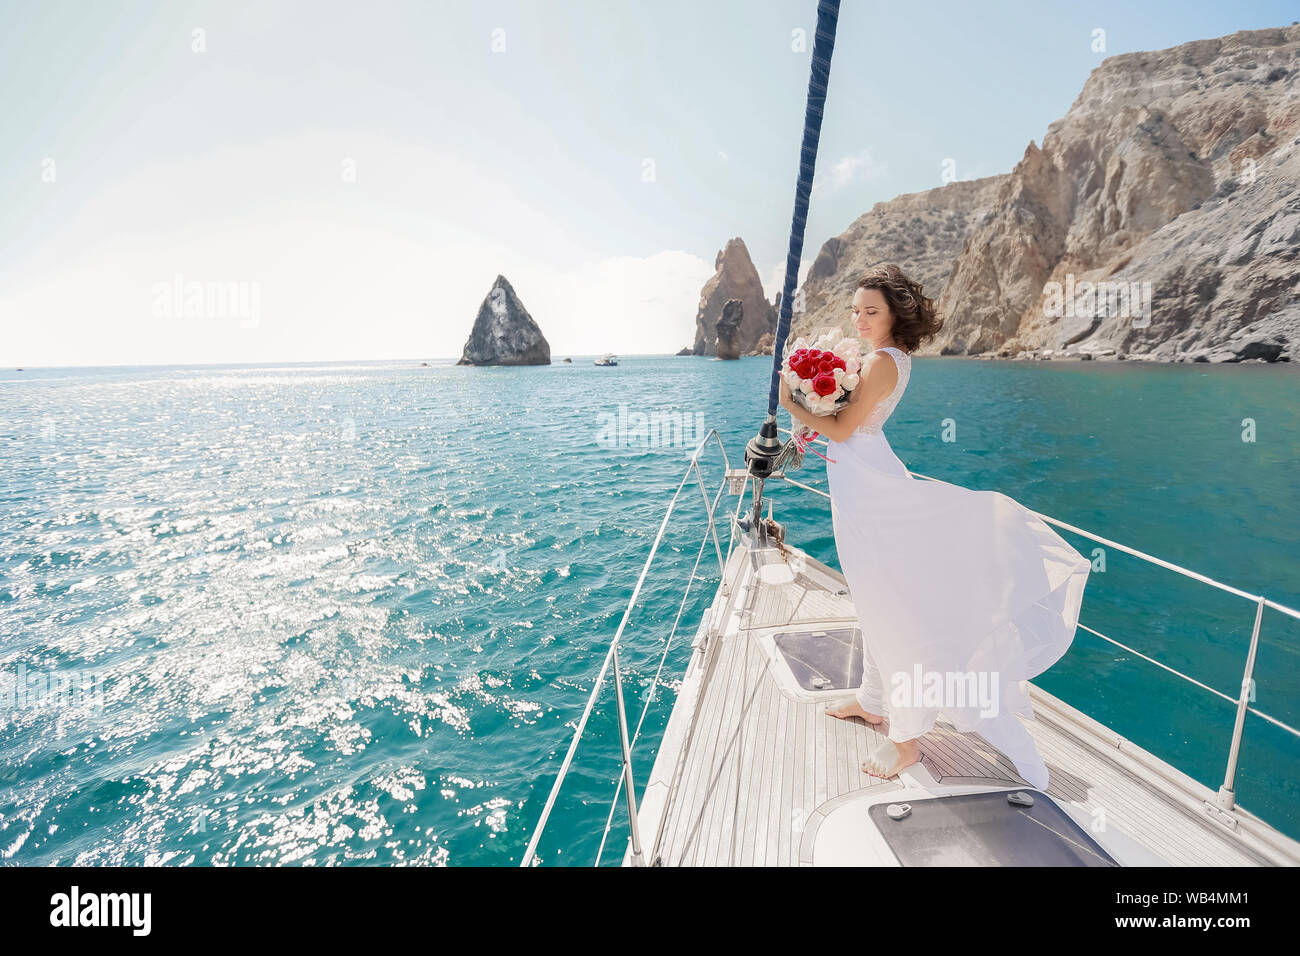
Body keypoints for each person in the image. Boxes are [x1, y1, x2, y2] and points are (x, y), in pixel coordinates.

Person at [777, 264, 1091, 790]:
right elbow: (846, 425)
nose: (859, 318)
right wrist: (818, 400)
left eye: (871, 311)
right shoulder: (886, 359)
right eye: (855, 310)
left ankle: (906, 737)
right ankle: (875, 701)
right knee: (873, 598)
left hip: (869, 490)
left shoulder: (881, 361)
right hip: (859, 481)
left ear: (896, 315)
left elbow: (845, 426)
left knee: (890, 604)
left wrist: (793, 402)